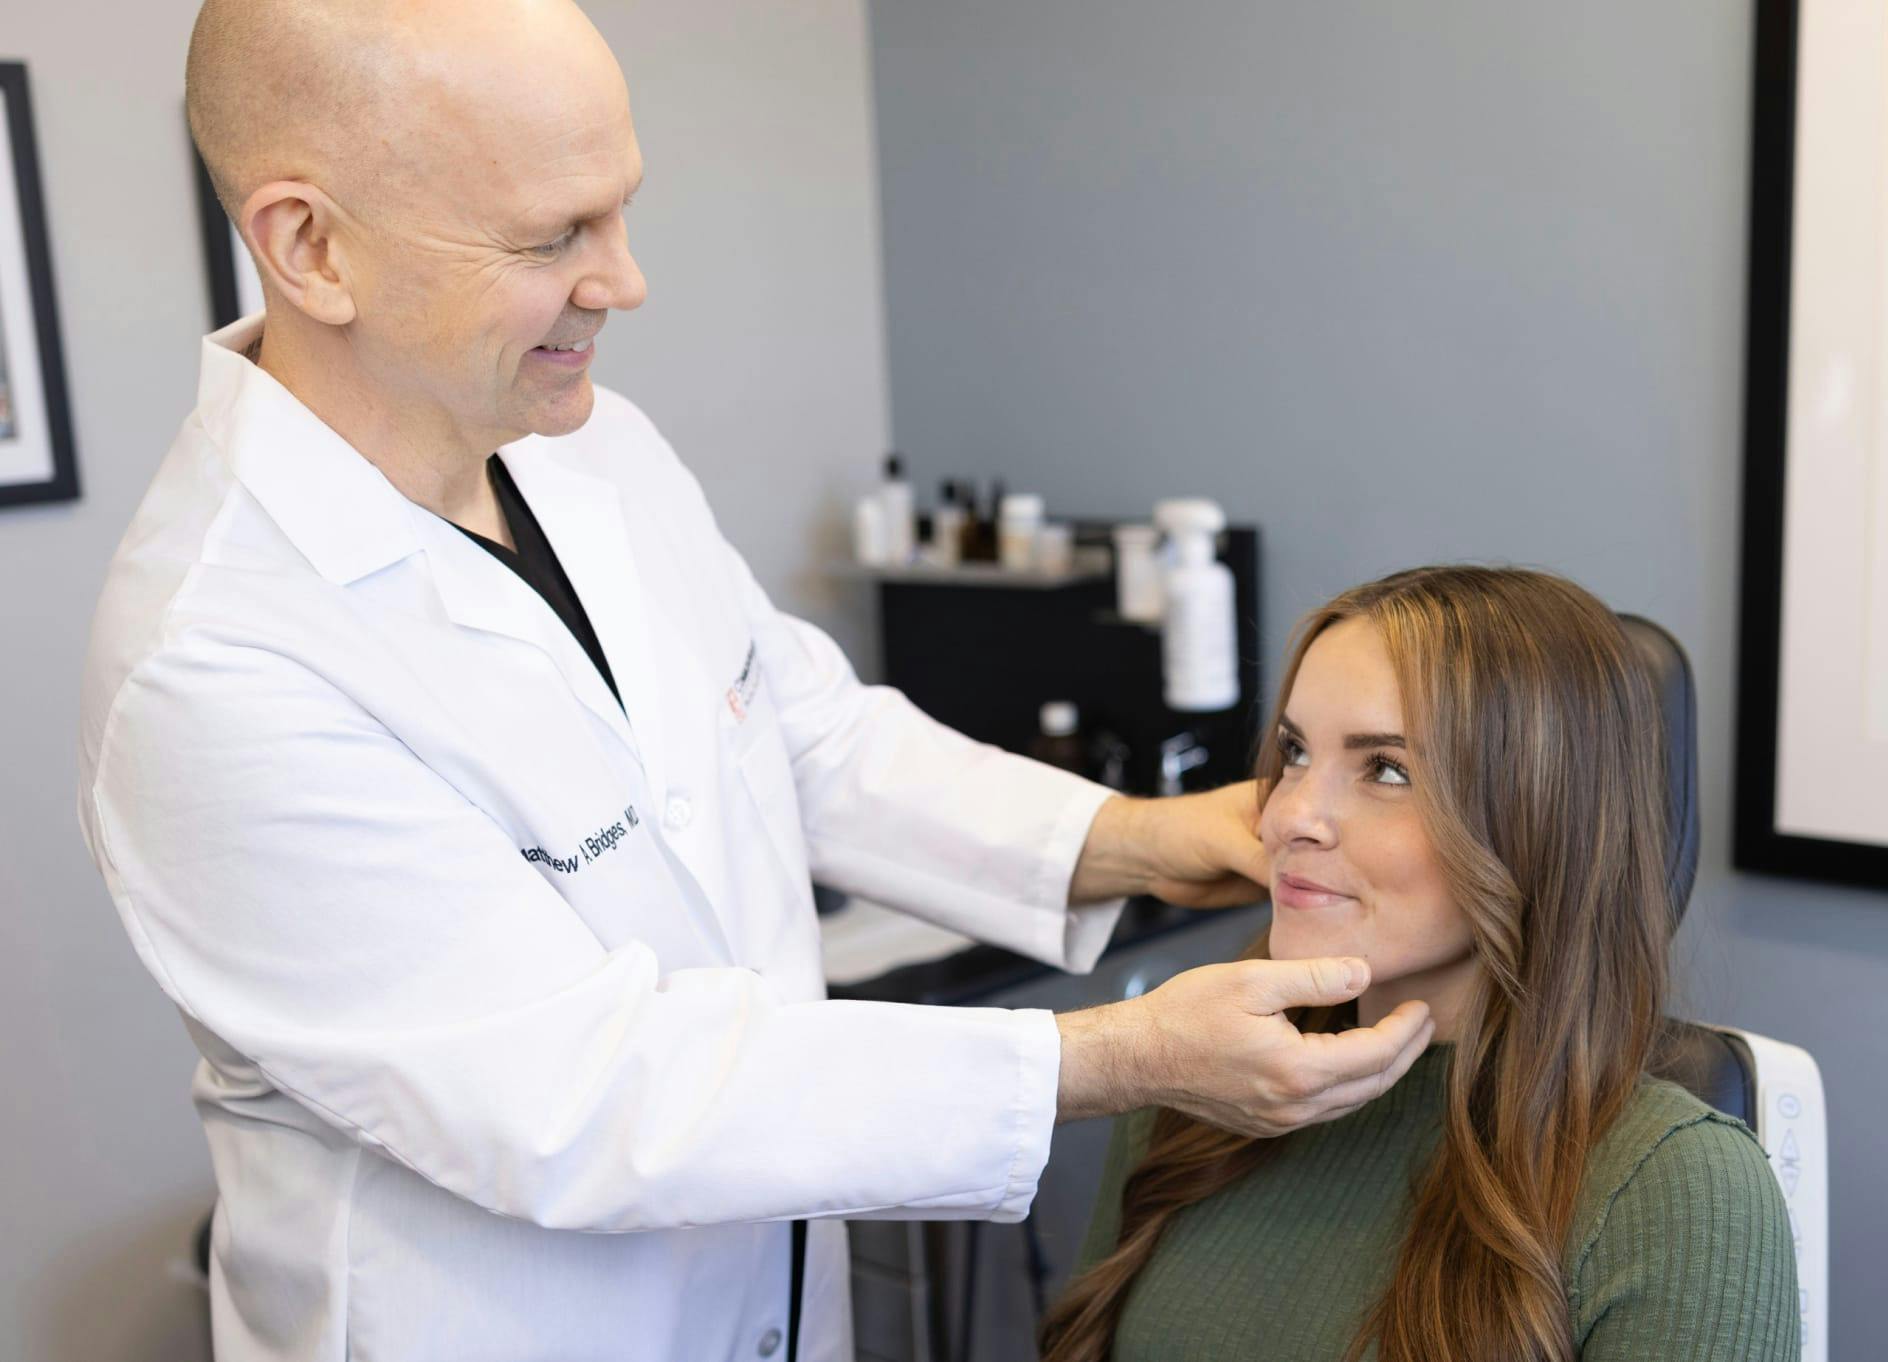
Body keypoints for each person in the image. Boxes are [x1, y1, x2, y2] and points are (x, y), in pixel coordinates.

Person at [74, 3, 1433, 1359]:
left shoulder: (587, 446)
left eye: (621, 210)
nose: (624, 280)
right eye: (554, 236)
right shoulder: (216, 664)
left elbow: (798, 732)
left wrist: (1132, 841)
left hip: (771, 1305)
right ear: (310, 246)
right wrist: (1112, 1055)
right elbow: (590, 1094)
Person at [1042, 566, 1800, 1362]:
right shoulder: (1196, 1084)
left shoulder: (1678, 1189)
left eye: (1388, 769)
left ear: (1537, 824)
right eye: (1295, 752)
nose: (1285, 815)